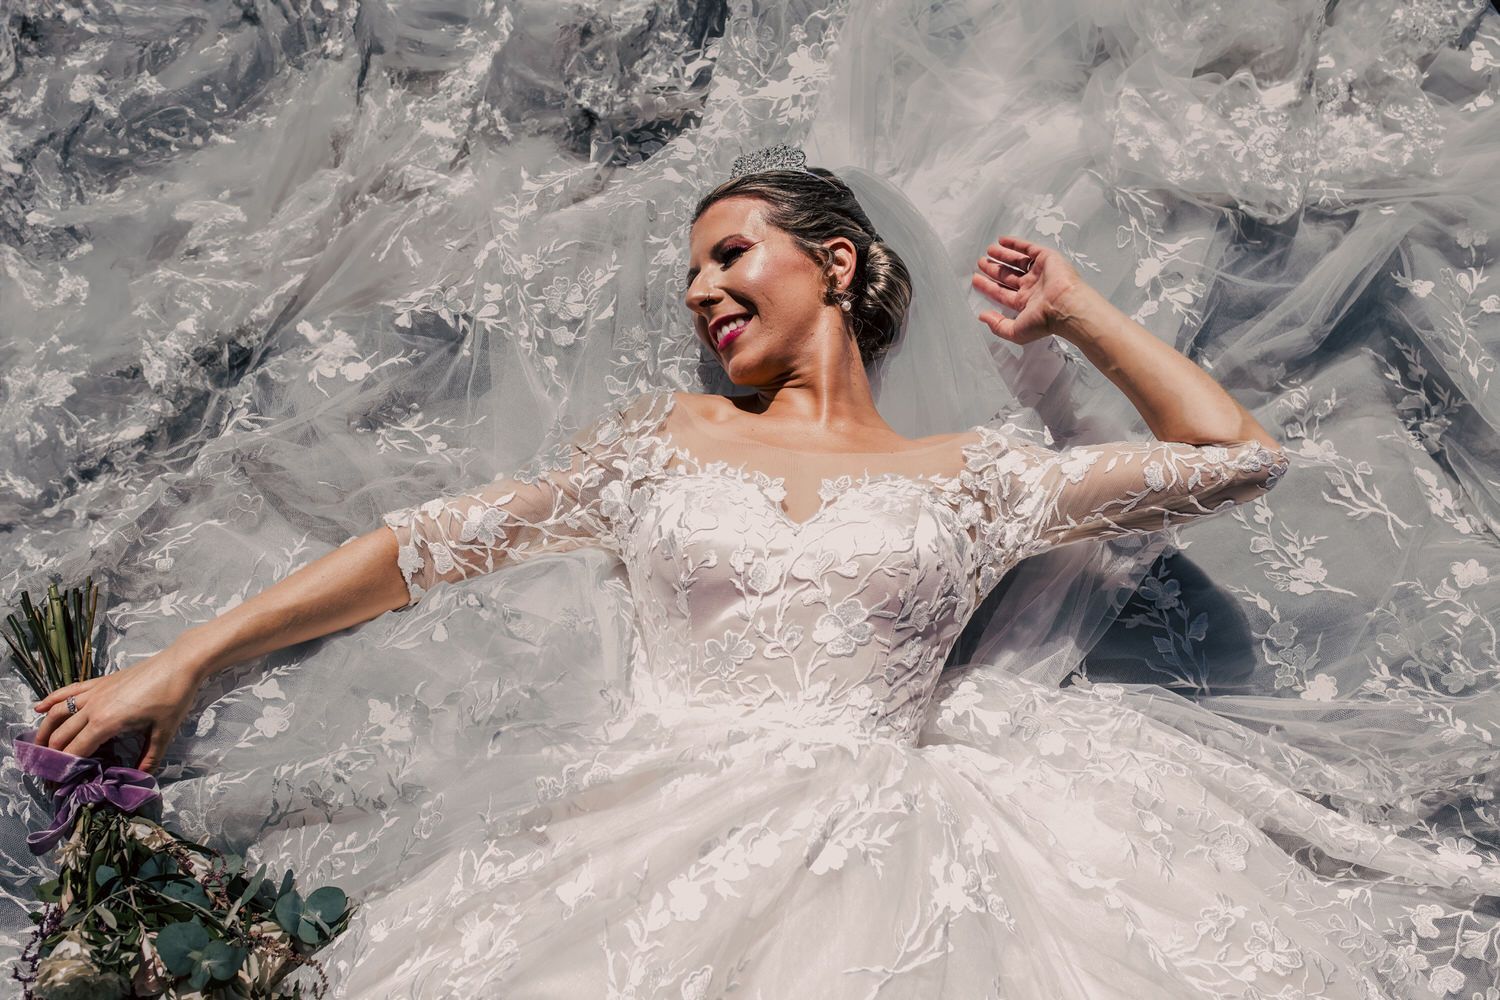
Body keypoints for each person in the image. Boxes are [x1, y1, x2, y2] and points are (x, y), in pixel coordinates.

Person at [23, 146, 1500, 997]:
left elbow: (1236, 456)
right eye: (690, 274)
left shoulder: (976, 477)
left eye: (731, 253)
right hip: (648, 841)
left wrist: (1074, 312)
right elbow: (416, 549)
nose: (701, 289)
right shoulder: (655, 447)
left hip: (903, 852)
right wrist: (185, 660)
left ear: (837, 265)